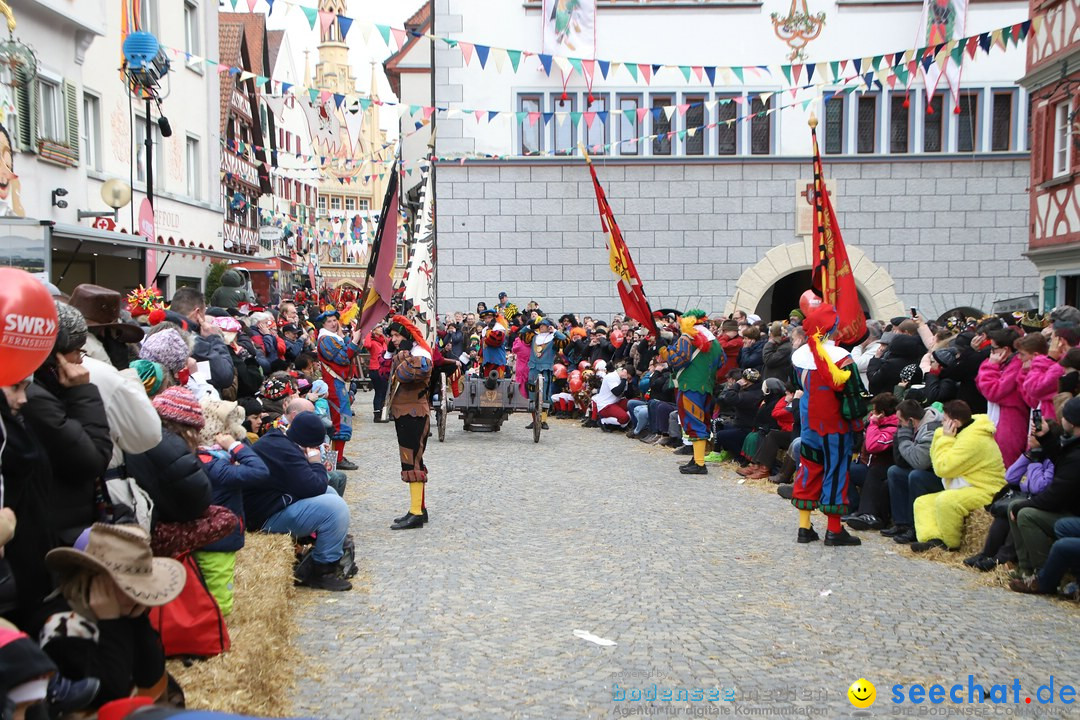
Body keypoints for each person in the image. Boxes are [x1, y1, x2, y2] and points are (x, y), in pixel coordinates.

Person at [42, 524, 186, 710]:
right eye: (128, 587)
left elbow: (151, 678)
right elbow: (110, 693)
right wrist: (112, 624)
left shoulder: (124, 612)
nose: (136, 595)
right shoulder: (63, 628)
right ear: (94, 580)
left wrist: (138, 621)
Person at [21, 302, 113, 546]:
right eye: (77, 351)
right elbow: (93, 459)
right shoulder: (35, 400)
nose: (80, 361)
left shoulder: (40, 391)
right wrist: (83, 392)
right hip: (56, 532)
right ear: (55, 356)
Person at [789, 303, 865, 546]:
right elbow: (853, 396)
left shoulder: (800, 357)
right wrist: (857, 426)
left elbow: (798, 386)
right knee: (836, 471)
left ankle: (804, 527)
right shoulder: (842, 359)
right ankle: (833, 530)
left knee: (808, 468)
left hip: (809, 423)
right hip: (835, 427)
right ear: (833, 330)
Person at [250, 412, 352, 591]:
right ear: (310, 443)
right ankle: (322, 570)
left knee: (331, 492)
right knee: (336, 509)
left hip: (270, 505)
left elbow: (311, 485)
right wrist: (315, 462)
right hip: (264, 517)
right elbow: (315, 486)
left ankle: (327, 548)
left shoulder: (279, 440)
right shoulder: (285, 451)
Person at [193, 399, 269, 615]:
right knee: (219, 602)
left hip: (211, 537)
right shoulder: (215, 464)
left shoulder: (207, 459)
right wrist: (235, 446)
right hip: (218, 541)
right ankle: (215, 639)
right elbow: (259, 471)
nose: (238, 431)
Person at [911, 400, 1006, 552]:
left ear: (955, 422)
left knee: (947, 501)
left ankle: (950, 545)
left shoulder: (973, 439)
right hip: (967, 485)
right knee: (923, 502)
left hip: (986, 489)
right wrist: (941, 435)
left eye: (944, 420)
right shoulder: (964, 430)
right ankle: (933, 540)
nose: (941, 424)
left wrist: (945, 438)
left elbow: (942, 468)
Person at [1007, 396, 1080, 582]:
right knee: (1015, 506)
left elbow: (1053, 493)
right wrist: (1045, 437)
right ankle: (1026, 570)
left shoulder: (1076, 455)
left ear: (1071, 421)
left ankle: (1043, 575)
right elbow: (1063, 461)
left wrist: (1023, 505)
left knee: (1025, 513)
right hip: (1068, 507)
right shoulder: (1072, 445)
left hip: (1070, 511)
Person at [659, 310, 725, 475]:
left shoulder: (687, 337)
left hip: (690, 386)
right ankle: (697, 458)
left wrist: (662, 349)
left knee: (694, 422)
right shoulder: (714, 341)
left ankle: (700, 464)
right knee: (702, 421)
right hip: (707, 386)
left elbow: (676, 359)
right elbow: (722, 361)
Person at [386, 316, 434, 530]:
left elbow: (406, 374)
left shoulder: (420, 355)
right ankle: (419, 509)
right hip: (406, 412)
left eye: (397, 335)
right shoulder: (410, 354)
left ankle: (416, 513)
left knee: (412, 462)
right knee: (413, 460)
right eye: (392, 336)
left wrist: (403, 354)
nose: (394, 340)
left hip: (414, 413)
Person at [883, 400, 945, 544]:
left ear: (911, 420)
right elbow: (900, 461)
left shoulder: (931, 429)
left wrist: (903, 437)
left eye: (900, 421)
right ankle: (901, 523)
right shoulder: (914, 426)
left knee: (916, 476)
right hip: (926, 471)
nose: (898, 424)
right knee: (895, 472)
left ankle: (914, 527)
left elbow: (920, 462)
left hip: (943, 477)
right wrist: (901, 435)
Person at [316, 309, 362, 471]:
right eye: (329, 321)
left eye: (335, 320)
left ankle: (336, 459)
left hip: (338, 383)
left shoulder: (333, 337)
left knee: (341, 420)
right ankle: (334, 460)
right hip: (333, 383)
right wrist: (353, 342)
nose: (334, 323)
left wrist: (348, 338)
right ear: (323, 324)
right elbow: (343, 358)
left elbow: (350, 350)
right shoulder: (325, 339)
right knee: (339, 422)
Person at [521, 316, 568, 430]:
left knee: (545, 396)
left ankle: (543, 420)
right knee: (532, 395)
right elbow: (522, 333)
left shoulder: (554, 338)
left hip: (546, 369)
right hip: (533, 368)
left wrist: (555, 331)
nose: (541, 327)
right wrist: (531, 326)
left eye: (544, 325)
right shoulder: (534, 337)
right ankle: (534, 420)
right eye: (540, 325)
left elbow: (565, 340)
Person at [363, 326, 390, 423]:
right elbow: (367, 345)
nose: (381, 328)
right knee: (379, 391)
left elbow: (390, 345)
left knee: (384, 391)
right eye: (378, 327)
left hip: (384, 369)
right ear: (374, 330)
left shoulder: (383, 341)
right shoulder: (373, 341)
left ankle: (383, 412)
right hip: (375, 369)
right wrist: (369, 333)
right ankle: (377, 414)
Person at [479, 308, 508, 378]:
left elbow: (496, 341)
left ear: (494, 318)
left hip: (497, 361)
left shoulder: (498, 328)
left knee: (498, 383)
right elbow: (482, 346)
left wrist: (488, 333)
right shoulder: (484, 330)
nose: (487, 320)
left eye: (489, 318)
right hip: (487, 361)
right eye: (485, 318)